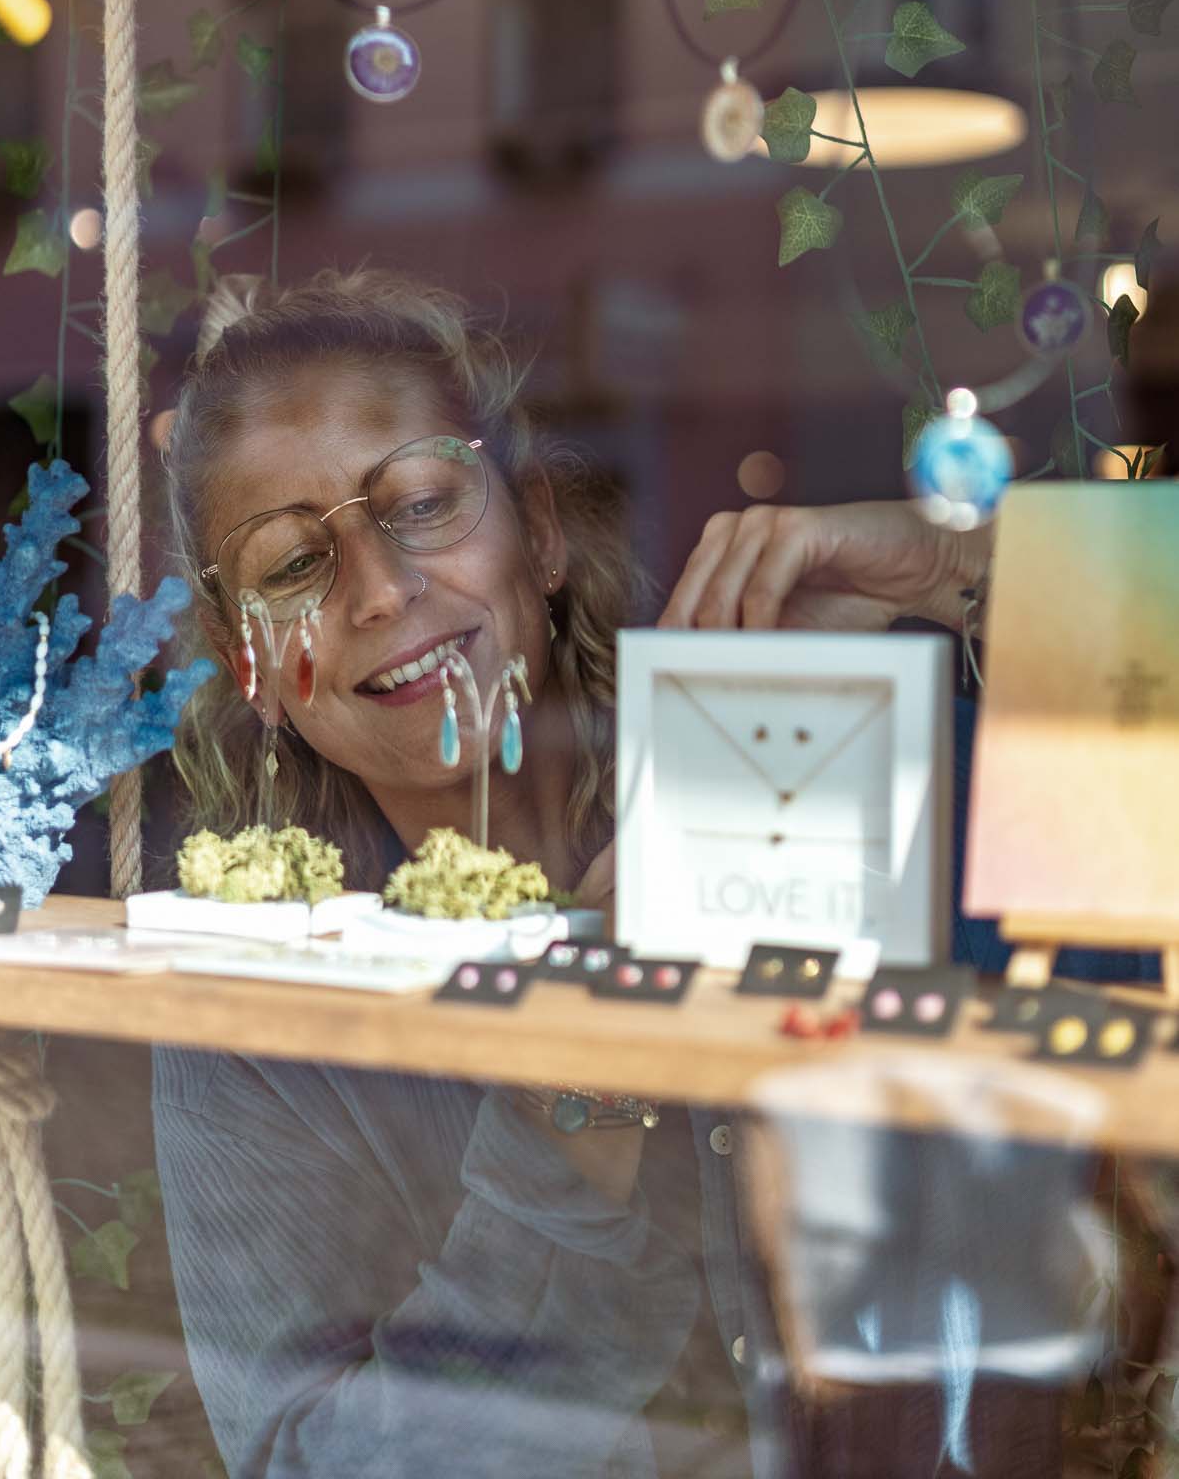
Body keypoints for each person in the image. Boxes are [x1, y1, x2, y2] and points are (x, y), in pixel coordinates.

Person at [152, 266, 1087, 1479]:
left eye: (424, 501)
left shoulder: (815, 762)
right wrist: (572, 1099)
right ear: (249, 666)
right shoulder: (249, 1007)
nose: (380, 590)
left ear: (538, 528)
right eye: (290, 565)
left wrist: (964, 569)